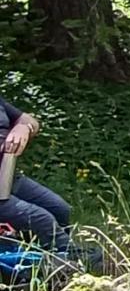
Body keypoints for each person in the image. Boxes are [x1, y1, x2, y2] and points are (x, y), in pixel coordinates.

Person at [0, 95, 71, 254]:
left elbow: (31, 121)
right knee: (42, 220)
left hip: (7, 178)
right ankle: (75, 262)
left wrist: (23, 127)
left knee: (59, 208)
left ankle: (46, 258)